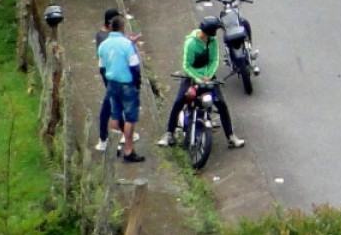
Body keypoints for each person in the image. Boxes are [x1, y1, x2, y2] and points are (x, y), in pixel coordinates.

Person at [158, 16, 246, 149]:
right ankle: (169, 133)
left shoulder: (213, 41)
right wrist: (198, 78)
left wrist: (208, 76)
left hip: (208, 78)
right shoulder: (191, 43)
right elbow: (186, 65)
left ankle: (231, 136)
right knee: (179, 101)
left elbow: (214, 60)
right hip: (192, 77)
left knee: (221, 104)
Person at [95, 15, 146, 162]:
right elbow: (134, 66)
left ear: (110, 28)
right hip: (127, 84)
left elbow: (102, 67)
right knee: (130, 118)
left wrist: (109, 81)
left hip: (112, 83)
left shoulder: (103, 45)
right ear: (123, 28)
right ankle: (128, 150)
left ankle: (114, 147)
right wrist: (137, 82)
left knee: (115, 115)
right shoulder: (126, 44)